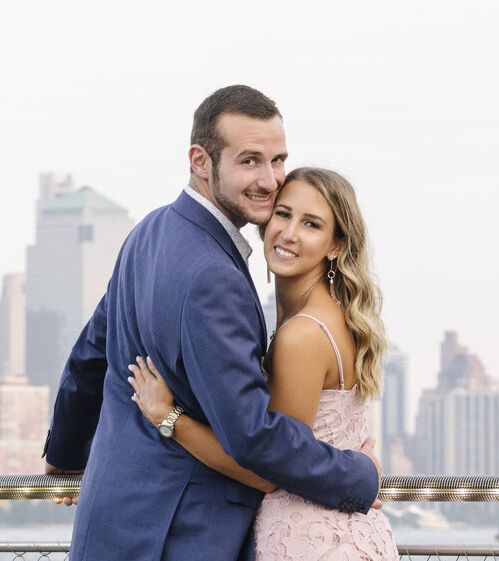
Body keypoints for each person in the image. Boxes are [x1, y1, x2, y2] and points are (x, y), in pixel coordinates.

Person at [42, 85, 380, 561]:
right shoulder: (214, 276)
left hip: (111, 524)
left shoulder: (149, 231)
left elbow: (90, 358)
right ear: (201, 161)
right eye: (250, 161)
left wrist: (64, 455)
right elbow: (254, 439)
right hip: (180, 536)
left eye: (278, 159)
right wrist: (360, 476)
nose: (270, 179)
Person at [128, 166, 396, 560]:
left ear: (336, 245)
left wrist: (168, 418)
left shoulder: (302, 335)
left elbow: (266, 470)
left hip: (309, 543)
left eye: (311, 224)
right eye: (283, 214)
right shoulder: (331, 316)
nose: (289, 233)